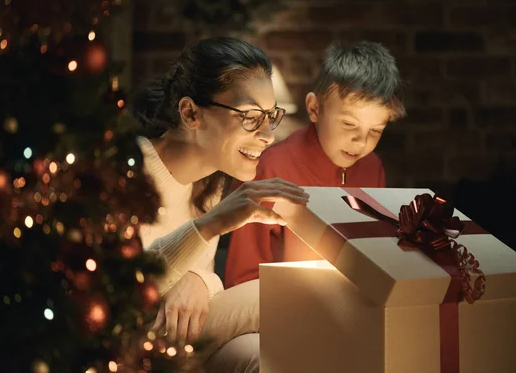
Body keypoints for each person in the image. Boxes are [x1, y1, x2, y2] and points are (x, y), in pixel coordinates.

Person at [129, 37, 309, 372]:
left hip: (185, 342)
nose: (268, 135)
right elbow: (128, 291)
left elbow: (205, 283)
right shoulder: (130, 170)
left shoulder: (210, 182)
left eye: (271, 116)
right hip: (133, 342)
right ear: (191, 113)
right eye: (251, 116)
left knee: (261, 355)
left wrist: (199, 279)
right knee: (293, 294)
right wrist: (213, 223)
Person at [224, 41, 406, 288]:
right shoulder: (272, 168)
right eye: (349, 125)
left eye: (375, 130)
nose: (361, 141)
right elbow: (243, 278)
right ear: (314, 108)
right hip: (281, 306)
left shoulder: (372, 168)